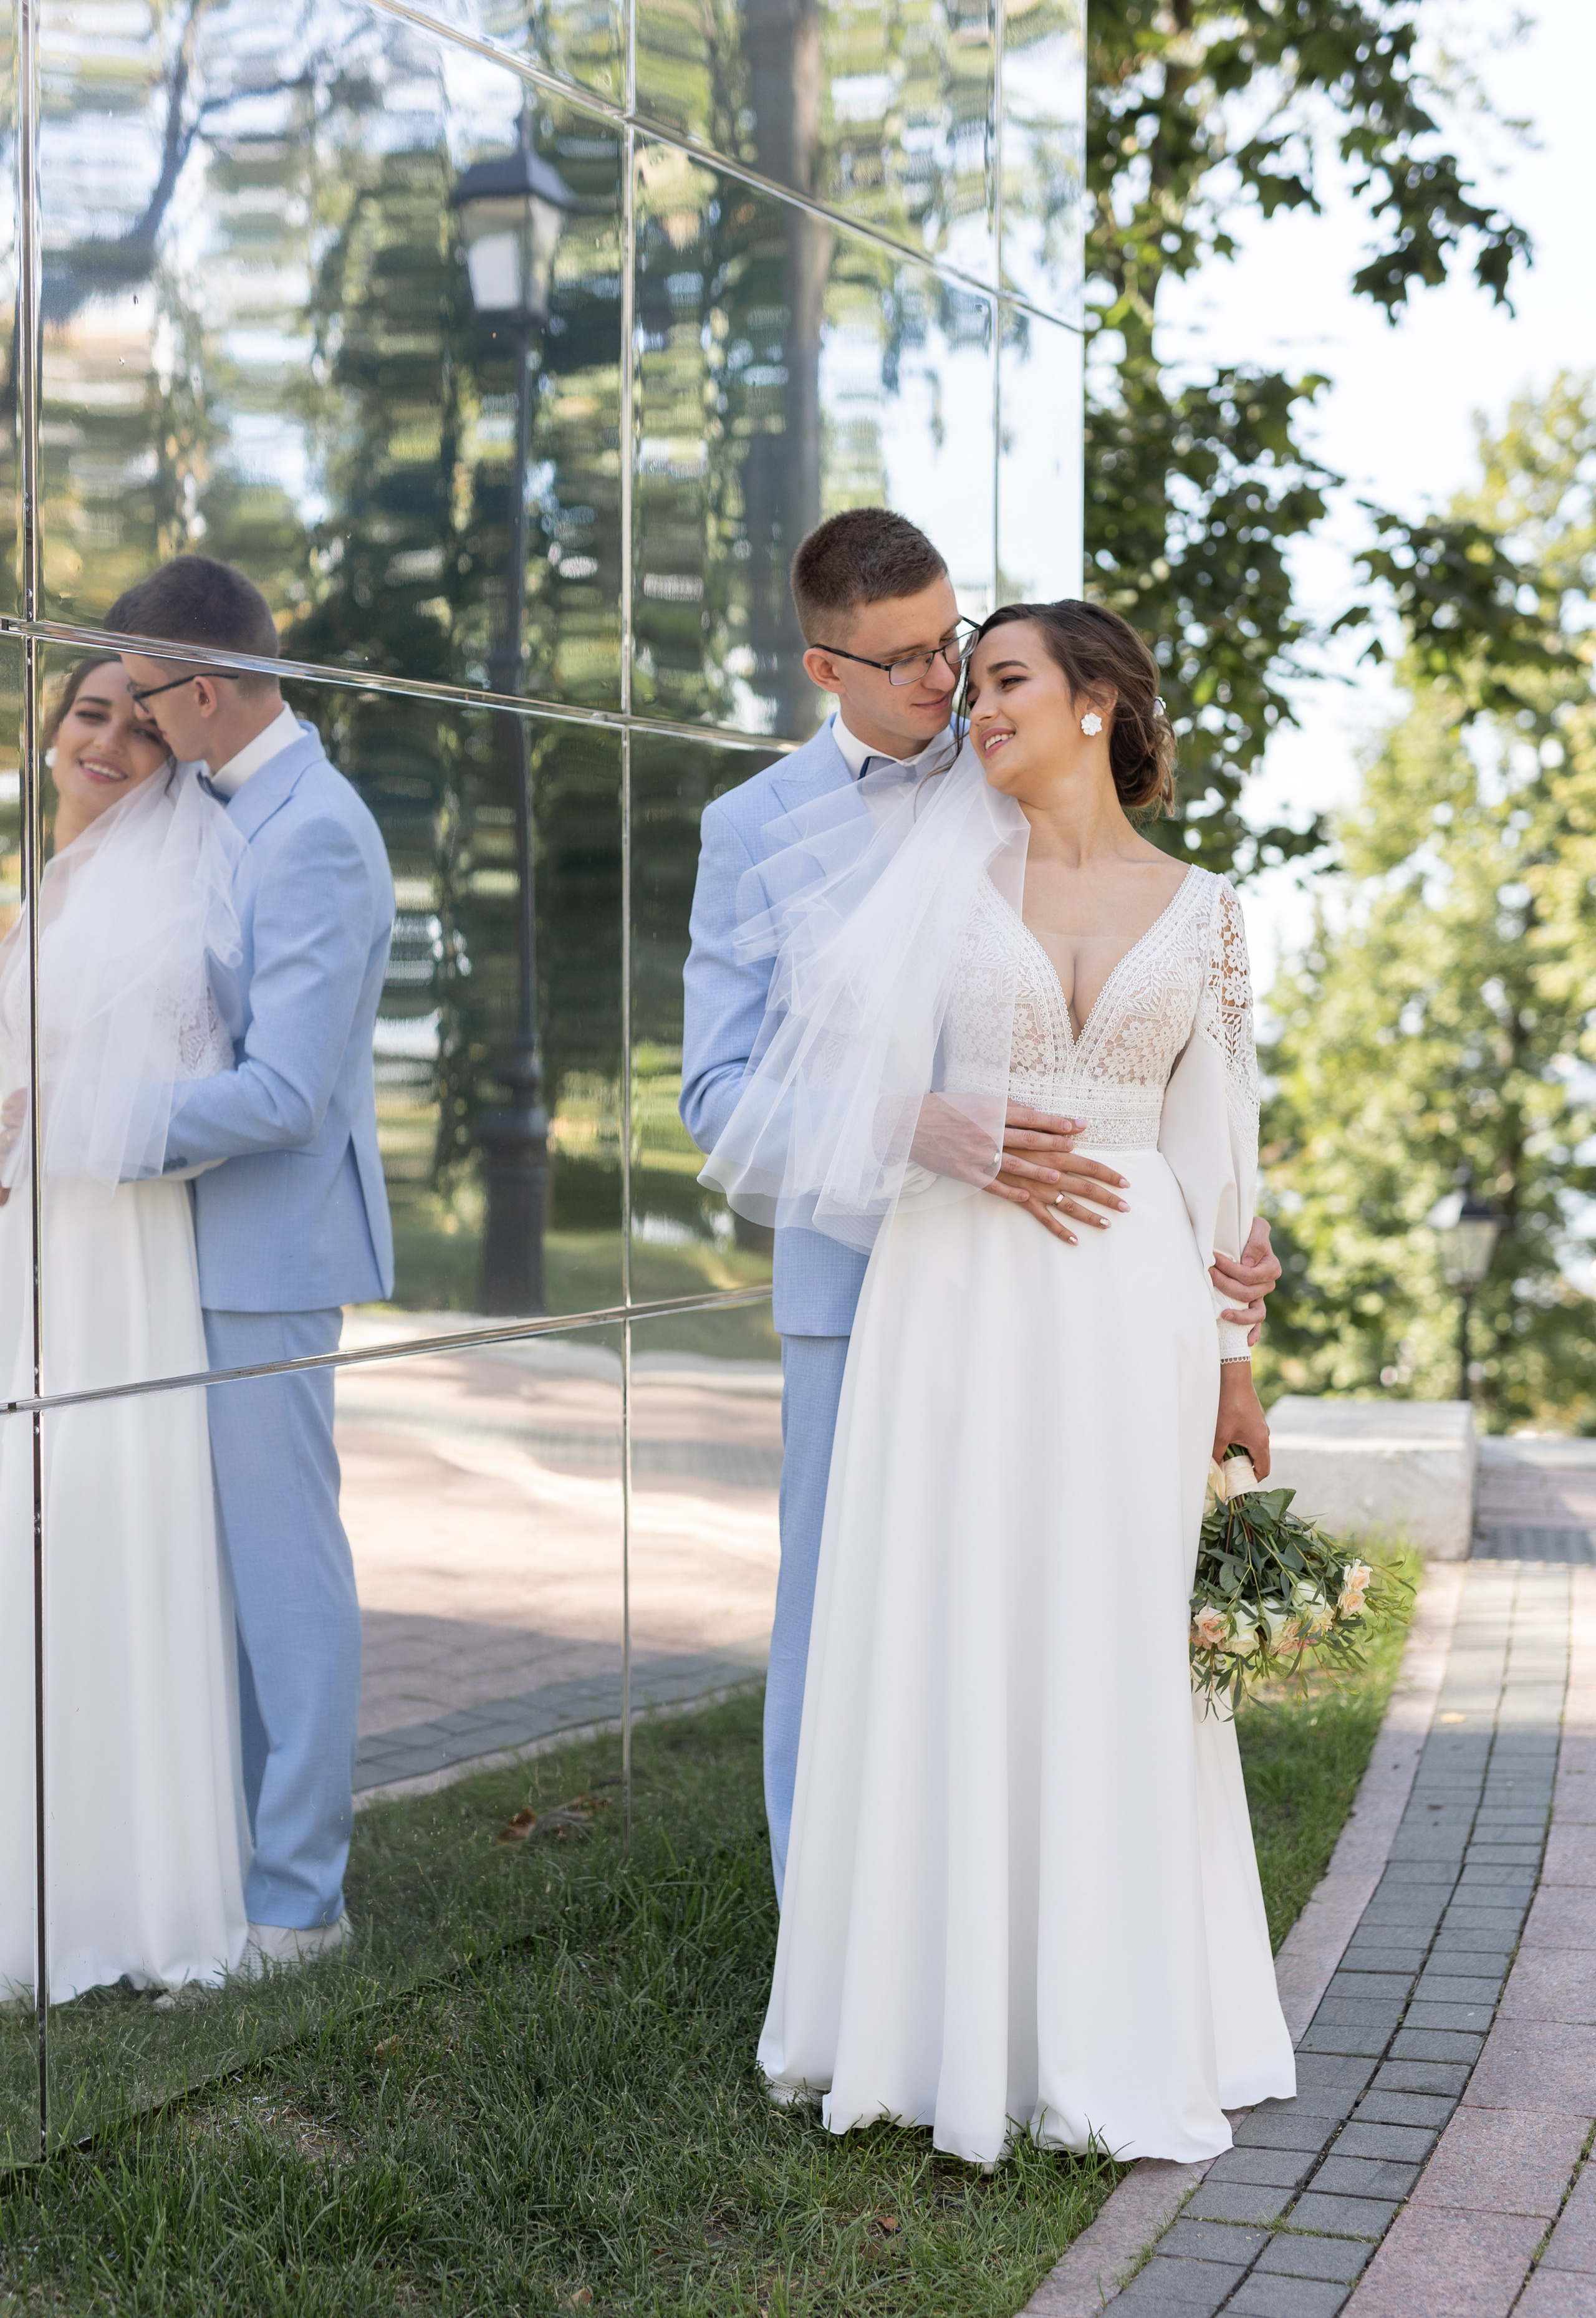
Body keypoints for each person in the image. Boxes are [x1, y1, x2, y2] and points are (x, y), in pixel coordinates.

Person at [701, 598, 1297, 2167]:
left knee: (1110, 1641)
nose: (974, 707)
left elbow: (1213, 1148)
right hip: (955, 1296)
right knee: (951, 1624)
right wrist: (929, 1124)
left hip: (1135, 1323)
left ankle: (1109, 2023)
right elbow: (798, 1089)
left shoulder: (1212, 910)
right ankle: (924, 2020)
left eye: (1005, 679)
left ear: (1098, 699)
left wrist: (1237, 1348)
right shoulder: (933, 884)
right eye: (963, 688)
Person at [108, 557, 395, 1968]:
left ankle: (299, 1900)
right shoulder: (236, 811)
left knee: (286, 1579)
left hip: (268, 1250)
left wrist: (105, 1122)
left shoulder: (314, 833)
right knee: (221, 1573)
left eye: (150, 705)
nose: (140, 732)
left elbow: (287, 1093)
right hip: (196, 1248)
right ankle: (232, 1857)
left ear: (203, 691)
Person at [0, 656, 250, 1998]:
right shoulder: (55, 883)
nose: (108, 740)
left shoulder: (162, 891)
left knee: (91, 1519)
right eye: (90, 712)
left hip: (109, 1250)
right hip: (34, 1244)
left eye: (142, 728)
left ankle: (117, 1889)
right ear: (52, 730)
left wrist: (38, 1117)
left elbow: (180, 1093)